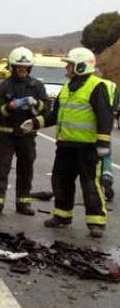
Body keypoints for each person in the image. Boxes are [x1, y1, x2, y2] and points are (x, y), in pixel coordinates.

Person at [20, 47, 113, 237]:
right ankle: (62, 216)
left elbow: (105, 117)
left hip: (87, 148)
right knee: (61, 181)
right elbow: (55, 115)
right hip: (65, 146)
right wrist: (35, 123)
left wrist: (103, 144)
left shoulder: (96, 86)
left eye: (70, 65)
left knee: (90, 184)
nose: (67, 68)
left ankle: (96, 222)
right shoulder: (67, 87)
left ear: (80, 66)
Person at [0, 47, 48, 217]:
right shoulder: (3, 86)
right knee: (1, 169)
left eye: (25, 67)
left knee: (26, 169)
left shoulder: (37, 86)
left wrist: (36, 104)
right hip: (6, 136)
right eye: (19, 67)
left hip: (27, 137)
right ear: (12, 67)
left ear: (29, 68)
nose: (22, 70)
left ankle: (23, 203)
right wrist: (9, 107)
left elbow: (47, 109)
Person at [101, 78, 119, 201]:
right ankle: (107, 175)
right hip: (107, 123)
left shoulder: (92, 84)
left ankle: (93, 184)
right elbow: (115, 105)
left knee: (89, 157)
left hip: (91, 125)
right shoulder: (113, 86)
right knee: (106, 154)